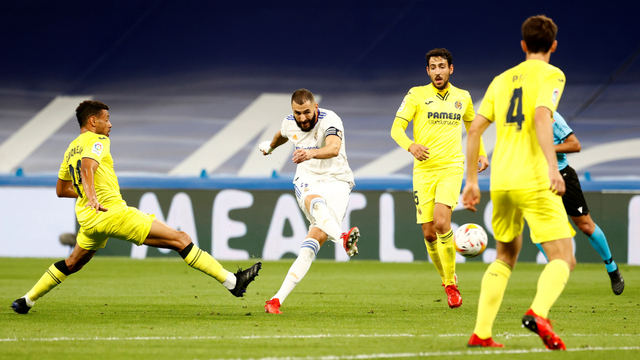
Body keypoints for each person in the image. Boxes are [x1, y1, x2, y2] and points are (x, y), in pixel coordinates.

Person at [11, 100, 261, 315]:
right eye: (106, 119)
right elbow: (88, 168)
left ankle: (27, 300)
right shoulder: (98, 140)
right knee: (180, 239)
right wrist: (93, 195)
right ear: (92, 120)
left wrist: (89, 196)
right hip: (111, 213)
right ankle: (232, 282)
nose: (110, 124)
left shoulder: (70, 149)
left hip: (87, 219)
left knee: (73, 262)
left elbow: (61, 190)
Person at [462, 15, 574, 350]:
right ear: (553, 45)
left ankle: (481, 333)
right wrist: (553, 168)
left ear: (523, 45)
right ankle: (539, 313)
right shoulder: (553, 74)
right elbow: (542, 116)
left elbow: (474, 130)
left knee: (506, 253)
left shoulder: (502, 79)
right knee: (563, 257)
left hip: (501, 179)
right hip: (534, 177)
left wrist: (470, 181)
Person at [390, 48, 490, 309]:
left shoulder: (463, 97)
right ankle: (447, 277)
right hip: (423, 171)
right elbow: (396, 129)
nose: (437, 71)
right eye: (433, 67)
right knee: (429, 233)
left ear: (451, 69)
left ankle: (450, 285)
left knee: (442, 223)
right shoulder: (416, 94)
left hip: (451, 167)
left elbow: (473, 128)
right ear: (427, 71)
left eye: (442, 66)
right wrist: (411, 146)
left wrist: (480, 153)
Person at [260, 89, 360, 315]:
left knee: (313, 242)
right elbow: (281, 134)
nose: (303, 118)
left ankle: (275, 300)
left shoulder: (331, 119)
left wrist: (310, 153)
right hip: (308, 178)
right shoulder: (290, 122)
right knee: (315, 203)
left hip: (338, 181)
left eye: (306, 112)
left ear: (315, 108)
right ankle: (343, 237)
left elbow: (334, 148)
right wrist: (270, 147)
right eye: (298, 113)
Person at [534, 111, 624, 295]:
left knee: (585, 226)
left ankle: (612, 268)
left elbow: (575, 144)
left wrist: (547, 148)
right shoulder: (518, 119)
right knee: (536, 228)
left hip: (562, 175)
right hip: (537, 179)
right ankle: (554, 270)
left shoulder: (551, 116)